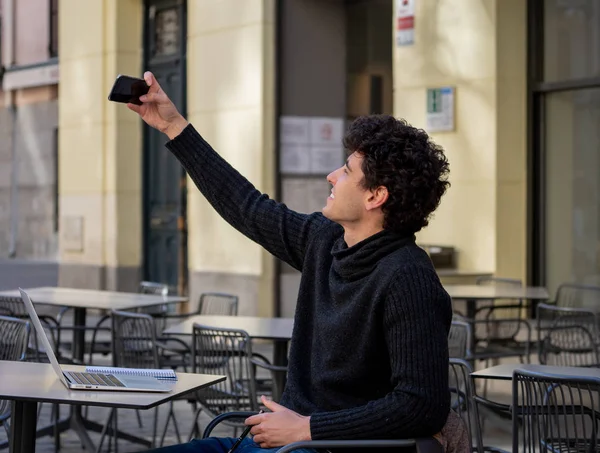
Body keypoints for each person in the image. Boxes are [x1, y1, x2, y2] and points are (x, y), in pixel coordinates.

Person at [129, 71, 453, 453]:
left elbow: (422, 405)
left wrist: (309, 428)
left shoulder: (408, 277)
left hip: (329, 448)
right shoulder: (325, 240)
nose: (332, 176)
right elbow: (246, 205)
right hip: (282, 443)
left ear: (375, 196)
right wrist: (173, 126)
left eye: (347, 171)